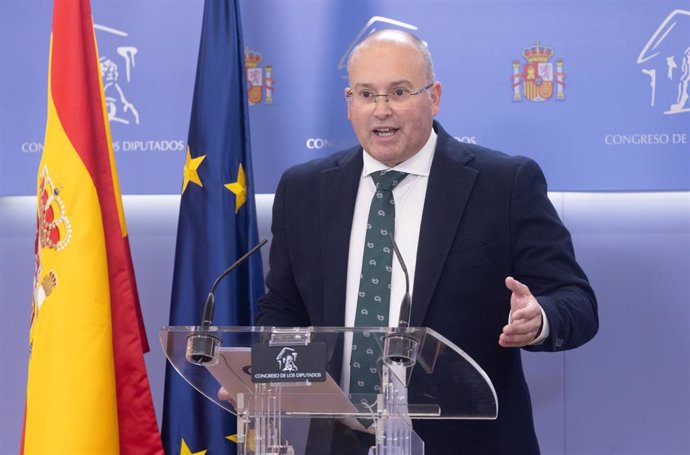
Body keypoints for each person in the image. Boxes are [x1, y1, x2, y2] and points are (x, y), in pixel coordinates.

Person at [256, 29, 598, 455]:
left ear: (433, 97)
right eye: (366, 94)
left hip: (467, 444)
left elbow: (576, 300)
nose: (381, 110)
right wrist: (264, 377)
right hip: (339, 443)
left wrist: (540, 316)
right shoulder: (304, 190)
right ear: (349, 104)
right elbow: (284, 308)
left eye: (399, 92)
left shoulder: (504, 184)